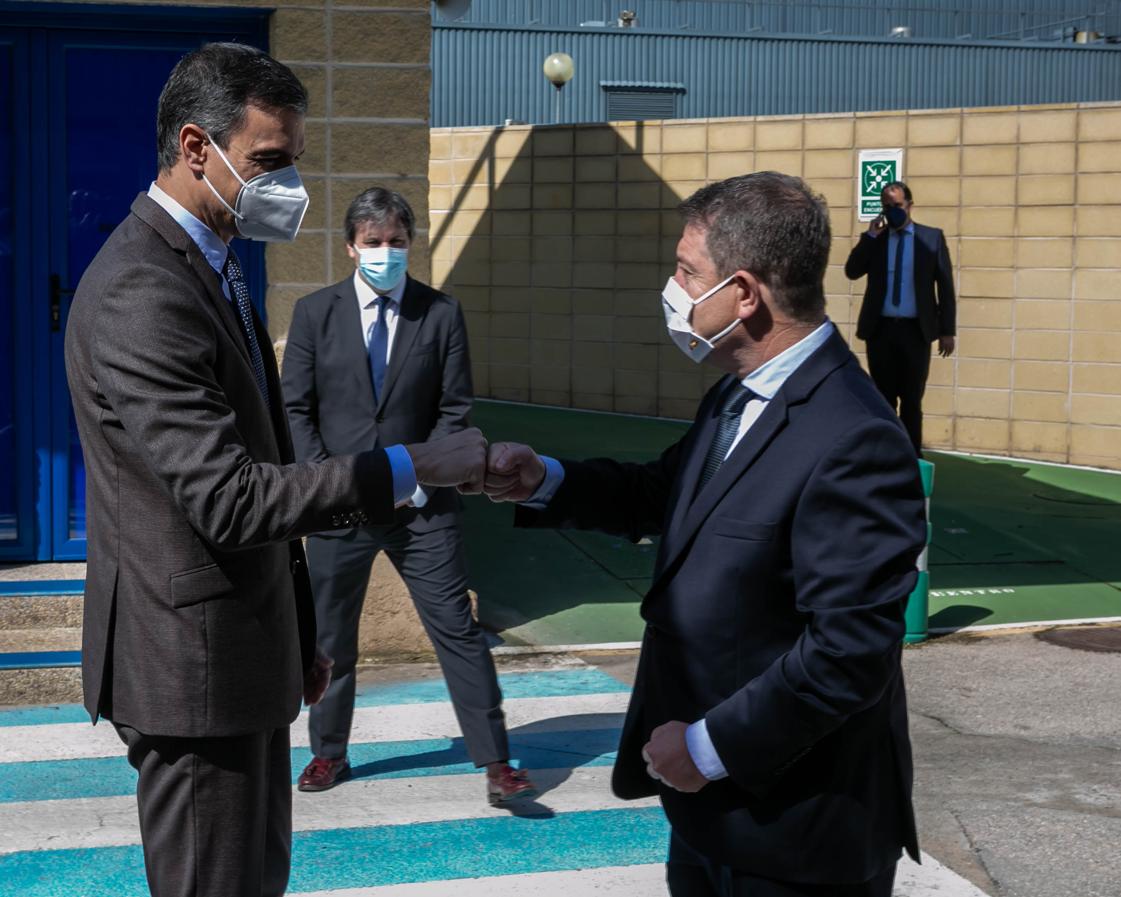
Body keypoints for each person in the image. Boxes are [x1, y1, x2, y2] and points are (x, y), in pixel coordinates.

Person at [64, 43, 485, 897]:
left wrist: (295, 634)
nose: (286, 184)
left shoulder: (212, 261)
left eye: (292, 160)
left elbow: (260, 462)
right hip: (190, 672)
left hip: (240, 658)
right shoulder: (142, 291)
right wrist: (410, 463)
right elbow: (228, 496)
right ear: (194, 148)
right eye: (268, 162)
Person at [484, 172, 927, 896]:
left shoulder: (853, 436)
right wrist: (545, 479)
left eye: (688, 272)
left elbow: (849, 651)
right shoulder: (739, 391)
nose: (673, 287)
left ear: (745, 293)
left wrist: (707, 747)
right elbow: (667, 494)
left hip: (793, 836)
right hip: (711, 816)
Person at [281, 187, 535, 803]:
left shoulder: (441, 314)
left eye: (396, 242)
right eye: (373, 243)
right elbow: (295, 406)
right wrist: (323, 481)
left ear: (409, 245)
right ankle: (328, 754)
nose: (385, 253)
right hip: (340, 505)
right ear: (351, 246)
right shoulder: (316, 313)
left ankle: (497, 763)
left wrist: (423, 478)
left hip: (423, 511)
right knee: (331, 637)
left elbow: (455, 409)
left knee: (457, 630)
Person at [844, 180, 956, 456]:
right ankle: (882, 454)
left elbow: (945, 286)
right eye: (886, 206)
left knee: (911, 399)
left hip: (915, 331)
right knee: (882, 398)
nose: (892, 210)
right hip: (881, 330)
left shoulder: (931, 239)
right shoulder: (876, 240)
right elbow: (852, 271)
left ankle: (910, 456)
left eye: (897, 205)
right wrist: (869, 238)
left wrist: (947, 330)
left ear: (909, 206)